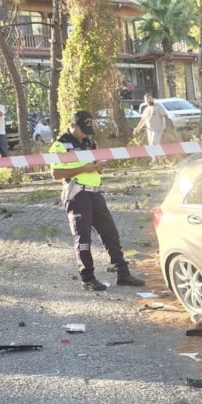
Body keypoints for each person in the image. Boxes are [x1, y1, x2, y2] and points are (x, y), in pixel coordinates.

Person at [50, 110, 145, 291]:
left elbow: (93, 165)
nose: (85, 134)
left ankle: (122, 273)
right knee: (83, 237)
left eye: (88, 130)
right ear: (72, 125)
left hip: (95, 192)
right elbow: (56, 173)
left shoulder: (89, 142)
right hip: (77, 193)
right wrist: (82, 169)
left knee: (110, 233)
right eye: (83, 130)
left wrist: (98, 167)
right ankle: (88, 278)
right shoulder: (60, 144)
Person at [133, 93, 169, 163]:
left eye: (150, 98)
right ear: (145, 101)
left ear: (152, 98)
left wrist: (167, 126)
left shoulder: (158, 106)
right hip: (149, 130)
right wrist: (137, 129)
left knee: (154, 143)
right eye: (147, 99)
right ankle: (155, 159)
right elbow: (143, 120)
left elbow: (165, 115)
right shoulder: (146, 110)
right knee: (151, 145)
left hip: (157, 128)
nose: (149, 100)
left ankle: (160, 160)